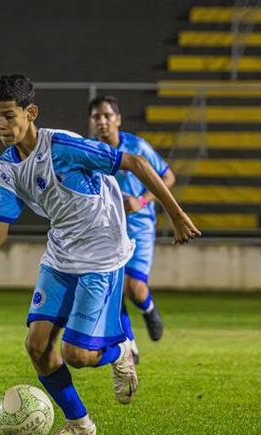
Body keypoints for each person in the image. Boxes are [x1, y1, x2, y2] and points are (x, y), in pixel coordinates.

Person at [0, 75, 200, 435]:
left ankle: (119, 352)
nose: (1, 126)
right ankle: (81, 425)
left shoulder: (64, 147)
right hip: (61, 256)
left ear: (30, 112)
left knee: (78, 355)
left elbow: (134, 163)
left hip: (103, 256)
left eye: (8, 116)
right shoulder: (6, 167)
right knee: (36, 346)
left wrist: (176, 215)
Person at [89, 96, 175, 363]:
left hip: (139, 227)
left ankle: (149, 309)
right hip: (106, 230)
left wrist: (142, 200)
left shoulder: (136, 146)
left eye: (107, 115)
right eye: (96, 117)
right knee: (112, 288)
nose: (102, 121)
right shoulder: (89, 151)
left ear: (118, 119)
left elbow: (168, 176)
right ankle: (130, 346)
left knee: (135, 288)